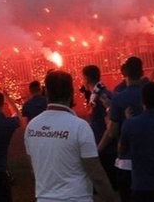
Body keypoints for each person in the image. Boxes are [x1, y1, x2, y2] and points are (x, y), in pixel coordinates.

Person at [25, 71, 115, 202]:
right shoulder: (79, 126)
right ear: (71, 93)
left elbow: (34, 168)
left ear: (46, 93)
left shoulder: (32, 126)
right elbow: (96, 174)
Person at [98, 57, 146, 202]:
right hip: (151, 157)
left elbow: (112, 131)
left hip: (127, 160)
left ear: (125, 73)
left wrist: (108, 108)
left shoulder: (119, 98)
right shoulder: (150, 93)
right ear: (142, 72)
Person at [81, 65, 117, 191]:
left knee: (107, 188)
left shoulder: (102, 96)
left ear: (86, 78)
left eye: (82, 78)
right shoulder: (97, 94)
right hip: (103, 148)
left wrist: (98, 149)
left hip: (106, 150)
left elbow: (111, 126)